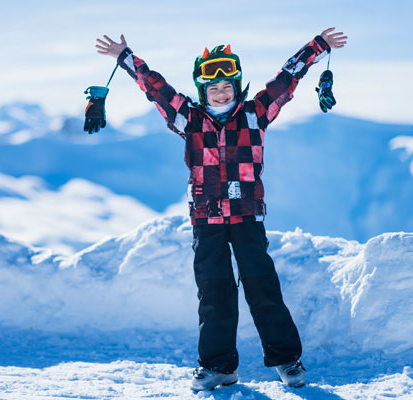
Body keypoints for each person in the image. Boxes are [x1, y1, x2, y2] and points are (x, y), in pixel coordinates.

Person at [94, 27, 347, 391]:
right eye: (212, 88)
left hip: (247, 218)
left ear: (237, 85)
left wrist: (318, 46)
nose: (220, 92)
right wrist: (125, 57)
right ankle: (219, 367)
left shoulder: (255, 113)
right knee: (215, 293)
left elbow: (287, 78)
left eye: (227, 86)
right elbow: (157, 89)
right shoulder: (190, 120)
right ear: (202, 91)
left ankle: (287, 359)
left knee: (264, 289)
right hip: (206, 221)